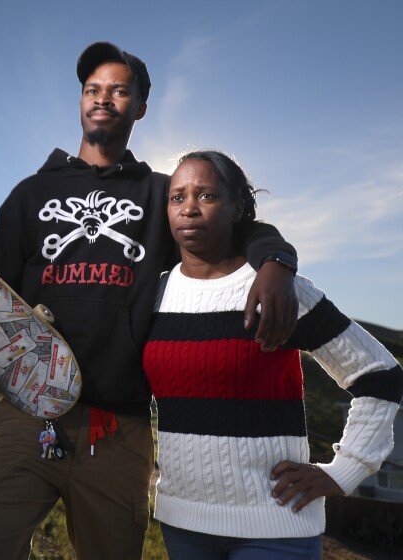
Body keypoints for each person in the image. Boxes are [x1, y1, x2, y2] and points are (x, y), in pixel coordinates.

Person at [0, 43, 299, 559]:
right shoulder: (30, 194)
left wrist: (276, 263)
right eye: (92, 90)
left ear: (141, 108)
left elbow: (244, 225)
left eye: (119, 90)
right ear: (81, 101)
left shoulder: (163, 194)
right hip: (27, 412)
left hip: (118, 425)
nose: (103, 99)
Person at [142, 150, 403, 559]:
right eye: (178, 198)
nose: (189, 208)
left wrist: (345, 470)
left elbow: (380, 375)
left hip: (275, 523)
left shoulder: (276, 288)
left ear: (236, 209)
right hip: (182, 523)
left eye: (206, 196)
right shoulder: (153, 295)